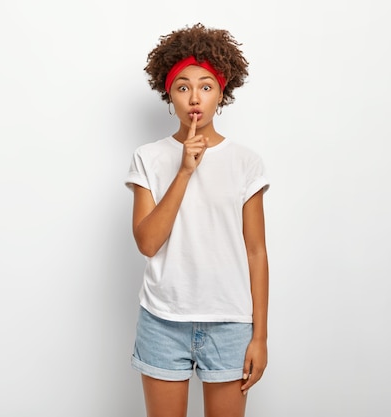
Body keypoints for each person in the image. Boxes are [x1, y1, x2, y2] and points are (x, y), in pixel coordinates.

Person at [125, 23, 269, 417]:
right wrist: (184, 170)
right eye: (183, 86)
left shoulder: (246, 163)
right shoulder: (149, 158)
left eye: (206, 86)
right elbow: (147, 243)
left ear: (222, 93)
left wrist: (260, 336)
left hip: (229, 323)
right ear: (168, 94)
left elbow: (256, 252)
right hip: (162, 321)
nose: (194, 97)